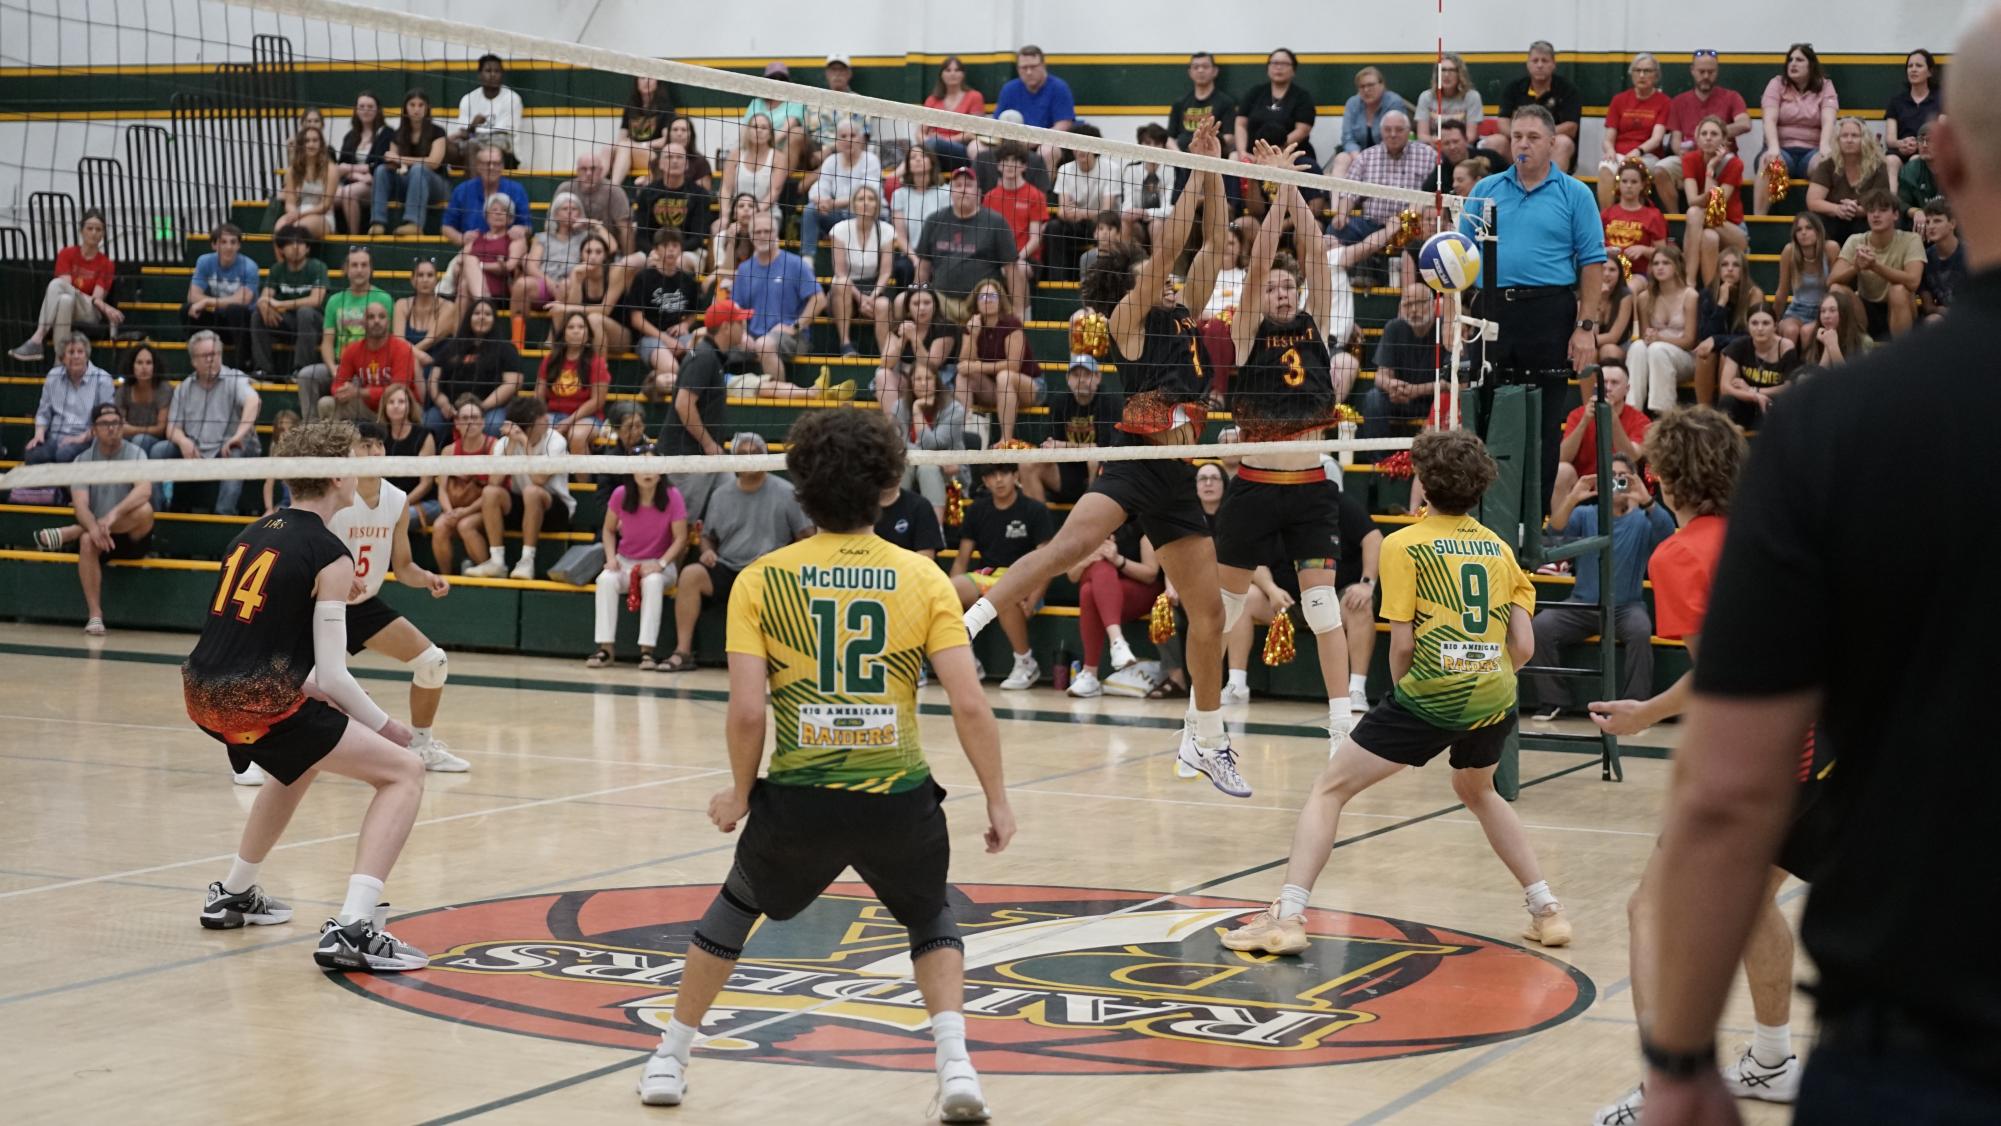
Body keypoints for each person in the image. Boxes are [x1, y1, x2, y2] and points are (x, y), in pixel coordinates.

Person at [1638, 20, 2001, 1106]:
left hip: (1921, 1054)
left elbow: (1728, 791)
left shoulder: (1837, 429)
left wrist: (1680, 1061)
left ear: (1937, 159)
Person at [634, 409, 1011, 1122]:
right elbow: (970, 704)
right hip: (897, 797)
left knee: (735, 908)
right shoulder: (924, 579)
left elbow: (748, 712)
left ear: (799, 488)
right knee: (930, 915)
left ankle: (669, 1060)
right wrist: (997, 798)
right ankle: (956, 1067)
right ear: (888, 482)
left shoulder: (761, 581)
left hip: (799, 800)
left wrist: (740, 793)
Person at [965, 117, 1244, 796]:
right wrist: (1191, 163)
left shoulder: (1184, 308)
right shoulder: (1125, 319)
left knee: (1208, 615)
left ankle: (1204, 740)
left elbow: (1215, 240)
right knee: (1064, 549)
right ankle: (966, 621)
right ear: (1131, 284)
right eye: (1156, 273)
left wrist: (1209, 168)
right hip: (1135, 451)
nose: (1172, 276)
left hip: (1173, 470)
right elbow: (1177, 240)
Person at [1220, 429, 1572, 956]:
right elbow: (1522, 645)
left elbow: (1402, 647)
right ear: (1478, 490)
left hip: (1432, 692)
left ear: (1423, 485)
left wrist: (1413, 696)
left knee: (1329, 789)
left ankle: (1287, 917)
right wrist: (1484, 674)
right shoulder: (1500, 550)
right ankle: (1547, 911)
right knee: (1479, 791)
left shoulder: (1405, 543)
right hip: (1496, 693)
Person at [1583, 406, 1824, 1126]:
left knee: (1650, 910)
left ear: (1660, 476)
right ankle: (1774, 1061)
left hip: (1771, 754)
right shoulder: (1778, 529)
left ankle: (1666, 1089)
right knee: (1751, 901)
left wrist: (1643, 714)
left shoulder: (1679, 555)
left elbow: (1721, 679)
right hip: (1835, 742)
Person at [183, 419, 429, 972]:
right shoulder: (330, 553)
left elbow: (259, 648)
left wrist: (323, 695)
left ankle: (235, 893)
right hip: (253, 700)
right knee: (404, 772)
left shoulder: (249, 534)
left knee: (301, 758)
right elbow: (338, 674)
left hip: (201, 691)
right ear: (339, 474)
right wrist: (389, 727)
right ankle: (354, 928)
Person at [1217, 141, 1357, 741]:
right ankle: (1205, 714)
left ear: (1296, 295)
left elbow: (1319, 263)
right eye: (1271, 286)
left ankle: (1340, 724)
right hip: (1251, 485)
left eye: (1284, 287)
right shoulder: (1246, 330)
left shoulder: (1315, 325)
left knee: (1323, 608)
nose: (1277, 292)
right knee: (1220, 609)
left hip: (1308, 488)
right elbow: (1254, 270)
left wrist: (1291, 188)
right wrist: (1274, 195)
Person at [1460, 105, 1608, 503]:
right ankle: (1483, 509)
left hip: (1549, 312)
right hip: (1490, 310)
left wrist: (1586, 327)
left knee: (1543, 421)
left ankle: (1534, 522)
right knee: (1484, 410)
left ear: (1553, 143)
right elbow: (1460, 255)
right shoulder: (1484, 190)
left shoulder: (1575, 194)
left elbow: (1593, 262)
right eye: (1517, 137)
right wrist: (1455, 313)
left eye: (1532, 137)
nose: (1522, 144)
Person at [325, 421, 466, 771]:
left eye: (378, 446)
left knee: (433, 663)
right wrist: (337, 576)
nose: (373, 453)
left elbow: (402, 567)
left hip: (363, 605)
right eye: (365, 445)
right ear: (349, 452)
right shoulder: (336, 493)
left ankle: (420, 746)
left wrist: (428, 578)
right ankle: (254, 757)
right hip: (321, 604)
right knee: (293, 683)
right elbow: (308, 548)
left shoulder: (397, 499)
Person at [1527, 451, 1674, 715]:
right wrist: (1573, 496)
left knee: (1641, 631)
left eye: (1623, 478)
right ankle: (1555, 700)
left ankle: (1635, 706)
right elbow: (1555, 531)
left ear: (1634, 481)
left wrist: (1648, 501)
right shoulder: (1586, 513)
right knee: (1540, 627)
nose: (1617, 482)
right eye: (1611, 477)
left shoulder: (1643, 519)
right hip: (1582, 605)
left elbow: (1665, 533)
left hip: (1626, 607)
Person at [659, 432, 813, 672]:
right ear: (733, 460)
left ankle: (780, 657)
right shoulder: (721, 495)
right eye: (742, 454)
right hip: (728, 568)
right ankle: (683, 652)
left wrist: (786, 561)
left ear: (765, 457)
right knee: (690, 575)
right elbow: (708, 537)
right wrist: (707, 552)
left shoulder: (786, 493)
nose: (749, 459)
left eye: (754, 453)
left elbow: (807, 537)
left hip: (768, 571)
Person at [30, 402, 153, 635]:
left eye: (116, 423)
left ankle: (72, 532)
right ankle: (95, 615)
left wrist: (110, 517)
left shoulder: (136, 453)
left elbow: (144, 490)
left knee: (145, 510)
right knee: (87, 541)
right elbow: (80, 505)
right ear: (93, 429)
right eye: (105, 424)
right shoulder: (83, 461)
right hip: (98, 537)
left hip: (129, 534)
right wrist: (95, 527)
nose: (112, 428)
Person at [948, 463, 1053, 687]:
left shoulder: (1034, 510)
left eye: (1003, 473)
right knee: (947, 591)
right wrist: (946, 589)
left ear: (1015, 475)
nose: (998, 480)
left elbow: (1047, 562)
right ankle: (966, 660)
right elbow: (961, 559)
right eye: (992, 475)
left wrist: (1033, 599)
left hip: (1024, 580)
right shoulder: (977, 509)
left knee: (1002, 594)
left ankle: (1026, 663)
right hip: (986, 576)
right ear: (984, 481)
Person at [586, 464, 688, 670]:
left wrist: (660, 564)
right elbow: (608, 530)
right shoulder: (620, 494)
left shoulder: (673, 496)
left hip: (660, 563)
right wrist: (611, 558)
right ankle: (606, 649)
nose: (648, 472)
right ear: (632, 471)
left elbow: (681, 537)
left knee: (652, 581)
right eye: (642, 467)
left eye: (653, 467)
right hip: (625, 561)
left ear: (661, 473)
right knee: (605, 579)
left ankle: (647, 652)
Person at [462, 395, 574, 580]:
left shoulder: (556, 441)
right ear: (530, 425)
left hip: (555, 510)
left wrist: (525, 443)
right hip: (524, 506)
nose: (547, 418)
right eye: (541, 416)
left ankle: (526, 561)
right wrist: (513, 443)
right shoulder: (504, 444)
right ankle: (497, 561)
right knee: (490, 493)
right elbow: (494, 482)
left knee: (532, 491)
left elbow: (538, 479)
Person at [153, 330, 262, 515]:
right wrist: (183, 441)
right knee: (159, 450)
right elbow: (172, 427)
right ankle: (158, 510)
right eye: (205, 355)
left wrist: (237, 436)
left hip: (229, 446)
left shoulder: (234, 378)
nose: (211, 359)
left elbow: (254, 401)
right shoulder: (184, 387)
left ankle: (224, 513)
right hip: (196, 448)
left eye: (215, 354)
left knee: (236, 450)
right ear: (193, 360)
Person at [11, 209, 123, 363]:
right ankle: (60, 364)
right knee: (64, 300)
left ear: (103, 234)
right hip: (72, 303)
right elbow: (66, 288)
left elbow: (96, 299)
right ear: (81, 231)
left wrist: (97, 302)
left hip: (89, 311)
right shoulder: (67, 254)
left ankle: (37, 338)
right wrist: (99, 303)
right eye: (90, 228)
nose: (94, 233)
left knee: (57, 285)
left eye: (98, 229)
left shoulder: (106, 264)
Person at [1066, 521, 1162, 698]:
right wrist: (1087, 559)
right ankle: (1116, 644)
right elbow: (1072, 575)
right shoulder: (1092, 529)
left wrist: (1117, 560)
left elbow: (1151, 574)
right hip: (1105, 599)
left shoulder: (1143, 524)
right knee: (1089, 588)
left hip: (1141, 593)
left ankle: (1091, 671)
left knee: (1102, 571)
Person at [734, 209, 826, 383]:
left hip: (792, 337)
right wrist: (743, 334)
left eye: (767, 231)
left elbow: (819, 299)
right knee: (707, 342)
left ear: (776, 234)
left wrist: (796, 326)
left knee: (764, 345)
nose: (762, 236)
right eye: (757, 232)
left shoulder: (794, 264)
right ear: (751, 236)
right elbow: (738, 308)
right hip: (753, 336)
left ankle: (781, 399)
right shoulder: (744, 269)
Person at [916, 167, 1016, 323]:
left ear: (978, 192)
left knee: (989, 292)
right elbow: (923, 267)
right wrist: (918, 296)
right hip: (942, 300)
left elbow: (1012, 270)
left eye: (969, 185)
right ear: (950, 192)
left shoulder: (996, 222)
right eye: (958, 185)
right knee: (903, 299)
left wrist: (1018, 310)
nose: (963, 190)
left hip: (981, 302)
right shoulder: (934, 221)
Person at [1021, 352, 1119, 504]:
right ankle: (1040, 523)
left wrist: (1065, 446)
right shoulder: (1060, 402)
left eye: (1087, 375)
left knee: (1093, 459)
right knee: (1027, 464)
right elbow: (1049, 443)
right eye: (1076, 375)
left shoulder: (1109, 402)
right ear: (1068, 379)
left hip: (1101, 475)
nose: (1081, 380)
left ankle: (1091, 513)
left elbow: (1104, 449)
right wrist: (1062, 447)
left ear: (1098, 377)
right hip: (1067, 473)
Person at [1550, 358, 1650, 507]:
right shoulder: (1578, 414)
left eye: (1614, 383)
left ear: (1627, 389)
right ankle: (1560, 529)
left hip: (1617, 486)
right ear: (1596, 385)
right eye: (1604, 382)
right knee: (1562, 470)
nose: (1608, 388)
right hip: (1582, 486)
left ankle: (1621, 526)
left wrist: (1613, 420)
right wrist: (1584, 421)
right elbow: (1562, 457)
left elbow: (1632, 456)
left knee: (1625, 473)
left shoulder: (1639, 419)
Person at [1828, 189, 1925, 341]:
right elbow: (1831, 281)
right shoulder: (1856, 240)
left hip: (1901, 307)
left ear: (1895, 215)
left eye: (1883, 210)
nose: (1876, 215)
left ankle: (1901, 352)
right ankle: (1858, 346)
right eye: (1871, 210)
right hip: (1866, 309)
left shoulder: (1911, 239)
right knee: (1836, 290)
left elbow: (1913, 281)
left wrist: (1875, 266)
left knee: (1898, 290)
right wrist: (1856, 267)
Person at [1756, 44, 1840, 216]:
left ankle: (1822, 223)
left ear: (1811, 65)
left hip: (1812, 151)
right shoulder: (1777, 84)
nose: (1793, 64)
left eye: (1799, 60)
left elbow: (1828, 120)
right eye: (1790, 60)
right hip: (1782, 149)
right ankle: (1760, 220)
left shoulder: (1825, 86)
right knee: (1772, 164)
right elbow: (1769, 119)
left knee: (1827, 164)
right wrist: (1773, 147)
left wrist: (1825, 146)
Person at [312, 246, 395, 414]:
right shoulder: (335, 301)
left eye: (364, 265)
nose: (359, 270)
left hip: (368, 366)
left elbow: (390, 340)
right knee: (308, 375)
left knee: (349, 388)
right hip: (338, 363)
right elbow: (327, 343)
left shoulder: (384, 299)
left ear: (371, 269)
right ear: (346, 269)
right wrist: (332, 368)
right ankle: (311, 429)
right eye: (354, 265)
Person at [956, 277, 1038, 447]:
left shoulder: (1011, 323)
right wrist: (974, 335)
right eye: (983, 297)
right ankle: (964, 434)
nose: (987, 301)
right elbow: (964, 364)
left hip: (1028, 385)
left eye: (992, 296)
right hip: (996, 389)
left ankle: (1005, 440)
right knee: (963, 376)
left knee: (1005, 376)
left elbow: (1014, 365)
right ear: (976, 301)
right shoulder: (972, 325)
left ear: (1000, 300)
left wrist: (978, 366)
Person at [425, 299, 520, 438]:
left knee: (493, 426)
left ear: (494, 319)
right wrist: (442, 403)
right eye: (476, 313)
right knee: (429, 422)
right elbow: (433, 379)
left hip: (490, 408)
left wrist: (481, 407)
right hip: (450, 408)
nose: (482, 317)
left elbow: (512, 383)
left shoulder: (506, 348)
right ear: (469, 318)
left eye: (487, 314)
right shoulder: (452, 346)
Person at [625, 232, 704, 400]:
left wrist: (684, 325)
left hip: (679, 336)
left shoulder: (688, 280)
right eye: (665, 246)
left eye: (675, 246)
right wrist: (666, 339)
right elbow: (637, 320)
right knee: (671, 368)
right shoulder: (643, 277)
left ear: (681, 249)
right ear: (656, 250)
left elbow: (693, 314)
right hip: (648, 338)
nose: (671, 250)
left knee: (703, 355)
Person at [250, 226, 327, 391]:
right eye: (290, 243)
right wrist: (264, 306)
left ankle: (300, 369)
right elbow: (264, 297)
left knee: (305, 312)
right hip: (289, 323)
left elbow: (316, 300)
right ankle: (263, 370)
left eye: (300, 243)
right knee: (258, 315)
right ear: (282, 249)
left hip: (315, 324)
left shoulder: (317, 267)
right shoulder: (277, 269)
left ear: (307, 247)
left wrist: (280, 305)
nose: (296, 247)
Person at [428, 395, 498, 576]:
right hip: (455, 507)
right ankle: (446, 577)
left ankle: (489, 577)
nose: (470, 423)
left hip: (485, 508)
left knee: (465, 525)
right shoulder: (449, 451)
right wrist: (449, 511)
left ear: (483, 422)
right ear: (457, 423)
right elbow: (441, 489)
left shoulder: (493, 447)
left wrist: (464, 512)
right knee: (439, 526)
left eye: (475, 418)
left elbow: (493, 491)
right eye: (465, 418)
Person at [892, 354, 968, 519]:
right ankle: (897, 523)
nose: (923, 383)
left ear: (937, 381)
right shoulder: (899, 407)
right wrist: (926, 456)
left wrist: (917, 411)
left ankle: (935, 529)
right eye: (918, 379)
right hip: (912, 464)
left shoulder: (954, 409)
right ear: (911, 382)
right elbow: (897, 444)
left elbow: (932, 444)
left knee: (928, 468)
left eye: (928, 378)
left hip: (949, 472)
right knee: (904, 466)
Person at [1487, 41, 1582, 171]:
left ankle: (1552, 188)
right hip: (1518, 149)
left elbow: (1571, 127)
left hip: (1549, 146)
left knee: (1563, 142)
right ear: (1528, 64)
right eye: (1535, 60)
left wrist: (1537, 136)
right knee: (1494, 142)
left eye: (1545, 61)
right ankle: (1498, 188)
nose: (1539, 65)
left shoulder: (1568, 90)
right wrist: (1520, 136)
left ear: (1553, 64)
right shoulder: (1514, 88)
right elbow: (1503, 121)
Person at [1629, 243, 1701, 415]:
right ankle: (1632, 410)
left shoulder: (1690, 296)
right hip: (1655, 355)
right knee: (1637, 347)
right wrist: (1651, 338)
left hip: (1684, 357)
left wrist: (1660, 339)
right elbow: (1646, 337)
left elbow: (1690, 341)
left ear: (1677, 266)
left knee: (1657, 349)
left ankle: (1663, 414)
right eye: (1656, 263)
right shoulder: (1644, 298)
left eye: (1666, 263)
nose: (1660, 267)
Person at [1595, 53, 1675, 209]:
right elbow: (1608, 138)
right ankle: (1606, 220)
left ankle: (1637, 218)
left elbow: (1656, 139)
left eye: (1647, 71)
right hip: (1618, 153)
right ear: (1632, 75)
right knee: (1605, 168)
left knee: (1634, 169)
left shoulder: (1664, 101)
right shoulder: (1619, 100)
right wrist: (1610, 150)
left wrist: (1637, 152)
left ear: (1656, 75)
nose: (1642, 75)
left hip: (1647, 155)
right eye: (1637, 70)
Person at [25, 331, 116, 466]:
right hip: (54, 437)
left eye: (80, 352)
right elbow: (44, 411)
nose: (76, 356)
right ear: (62, 357)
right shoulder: (53, 376)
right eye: (71, 352)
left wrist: (82, 438)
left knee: (64, 455)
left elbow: (106, 419)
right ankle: (47, 488)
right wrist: (39, 434)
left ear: (87, 355)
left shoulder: (102, 379)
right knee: (34, 454)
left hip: (86, 438)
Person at [1678, 116, 1749, 287]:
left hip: (1731, 228)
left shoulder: (1734, 163)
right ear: (1697, 138)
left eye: (1714, 134)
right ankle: (1710, 292)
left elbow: (1714, 206)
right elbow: (1691, 200)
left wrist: (1710, 170)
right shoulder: (1689, 159)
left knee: (1695, 213)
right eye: (1704, 133)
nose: (1708, 138)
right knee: (1708, 235)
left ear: (1724, 140)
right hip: (1705, 225)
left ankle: (1689, 280)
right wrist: (1703, 196)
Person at [828, 185, 896, 359]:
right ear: (853, 204)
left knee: (883, 305)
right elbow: (840, 271)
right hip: (847, 288)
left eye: (871, 199)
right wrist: (860, 298)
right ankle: (845, 344)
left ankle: (885, 357)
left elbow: (886, 272)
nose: (866, 203)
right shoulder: (840, 229)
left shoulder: (886, 230)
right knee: (840, 282)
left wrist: (872, 296)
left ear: (877, 206)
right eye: (861, 199)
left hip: (874, 286)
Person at [800, 118, 882, 264]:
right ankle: (807, 262)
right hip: (839, 215)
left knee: (864, 206)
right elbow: (819, 187)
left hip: (865, 216)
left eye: (852, 135)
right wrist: (821, 200)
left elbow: (866, 196)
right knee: (811, 209)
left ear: (861, 140)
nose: (848, 140)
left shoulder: (871, 160)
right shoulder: (831, 161)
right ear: (837, 141)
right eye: (843, 136)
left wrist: (833, 204)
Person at [370, 88, 449, 235]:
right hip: (409, 183)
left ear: (427, 108)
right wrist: (390, 160)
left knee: (419, 169)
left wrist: (400, 159)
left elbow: (434, 163)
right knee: (381, 170)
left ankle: (414, 223)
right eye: (412, 105)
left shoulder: (438, 132)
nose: (416, 109)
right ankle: (377, 222)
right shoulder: (397, 134)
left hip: (436, 186)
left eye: (421, 105)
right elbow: (393, 163)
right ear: (405, 108)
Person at [182, 222, 259, 370]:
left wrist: (206, 302)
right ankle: (196, 360)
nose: (229, 247)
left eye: (233, 242)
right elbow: (192, 295)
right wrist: (205, 303)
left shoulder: (249, 266)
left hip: (243, 324)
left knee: (235, 309)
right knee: (187, 309)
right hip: (219, 321)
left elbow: (244, 299)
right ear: (214, 245)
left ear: (239, 246)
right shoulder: (204, 261)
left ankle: (243, 365)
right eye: (223, 242)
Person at [536, 311, 611, 457]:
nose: (576, 331)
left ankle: (584, 480)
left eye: (581, 327)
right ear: (563, 333)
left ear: (588, 334)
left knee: (576, 436)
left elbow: (597, 401)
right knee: (538, 432)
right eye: (570, 327)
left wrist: (568, 422)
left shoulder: (597, 362)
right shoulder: (550, 360)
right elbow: (538, 395)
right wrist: (542, 418)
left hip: (588, 418)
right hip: (552, 414)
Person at [1806, 118, 1889, 249]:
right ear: (1838, 140)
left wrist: (1858, 211)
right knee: (1814, 219)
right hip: (1833, 219)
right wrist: (1837, 209)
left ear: (1865, 139)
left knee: (1880, 219)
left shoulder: (1878, 166)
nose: (1849, 140)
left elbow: (1882, 201)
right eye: (1844, 136)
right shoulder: (1827, 164)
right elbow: (1813, 201)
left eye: (1855, 135)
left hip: (1865, 219)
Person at [329, 302, 417, 422]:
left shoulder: (402, 349)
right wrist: (341, 392)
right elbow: (337, 384)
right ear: (363, 323)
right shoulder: (352, 350)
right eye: (371, 317)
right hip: (368, 408)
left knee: (397, 405)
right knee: (326, 404)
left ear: (389, 322)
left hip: (398, 410)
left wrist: (358, 392)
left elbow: (399, 390)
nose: (376, 321)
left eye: (381, 316)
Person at [1236, 49, 1318, 177]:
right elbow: (1240, 123)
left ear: (1294, 70)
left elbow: (1303, 130)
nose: (1278, 67)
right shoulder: (1255, 92)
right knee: (1233, 159)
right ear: (1268, 68)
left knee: (1309, 166)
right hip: (1252, 153)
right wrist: (1242, 152)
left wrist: (1272, 152)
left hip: (1288, 154)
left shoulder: (1302, 97)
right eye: (1274, 63)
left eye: (1284, 64)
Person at [1717, 305, 1802, 427]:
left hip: (1773, 402)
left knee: (1785, 403)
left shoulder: (1785, 347)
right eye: (1754, 323)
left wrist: (1756, 390)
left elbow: (1789, 386)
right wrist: (1754, 396)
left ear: (1775, 326)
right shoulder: (1739, 345)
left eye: (1766, 323)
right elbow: (1725, 387)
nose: (1760, 328)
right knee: (1727, 400)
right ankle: (1729, 438)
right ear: (1748, 326)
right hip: (1747, 401)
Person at [994, 44, 1074, 172]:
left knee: (1047, 151)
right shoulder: (1009, 89)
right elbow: (997, 122)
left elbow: (1064, 124)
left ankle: (1045, 191)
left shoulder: (1059, 88)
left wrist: (1033, 141)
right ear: (1018, 69)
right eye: (1024, 68)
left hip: (1047, 143)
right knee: (975, 148)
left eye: (1033, 67)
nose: (1029, 72)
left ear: (1043, 65)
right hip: (1013, 144)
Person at [634, 143, 713, 270]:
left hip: (689, 252)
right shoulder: (647, 193)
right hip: (654, 251)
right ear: (660, 163)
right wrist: (655, 252)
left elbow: (698, 238)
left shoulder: (699, 195)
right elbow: (641, 236)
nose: (675, 161)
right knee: (626, 264)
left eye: (679, 157)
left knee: (678, 263)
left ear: (686, 164)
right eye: (669, 157)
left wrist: (671, 253)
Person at [440, 144, 531, 250]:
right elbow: (446, 227)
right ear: (478, 166)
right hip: (471, 250)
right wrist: (462, 238)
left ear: (502, 166)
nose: (491, 167)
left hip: (506, 251)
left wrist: (521, 230)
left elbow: (527, 226)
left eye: (496, 163)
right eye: (487, 163)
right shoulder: (462, 190)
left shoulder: (516, 190)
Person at [552, 151, 638, 263]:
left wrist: (628, 260)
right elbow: (551, 223)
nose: (588, 173)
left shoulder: (614, 191)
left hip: (607, 250)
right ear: (577, 171)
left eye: (593, 169)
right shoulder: (565, 188)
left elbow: (625, 228)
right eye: (583, 169)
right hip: (571, 250)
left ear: (601, 171)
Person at [1666, 50, 1751, 162]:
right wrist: (1680, 151)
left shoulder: (1732, 97)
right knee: (1662, 168)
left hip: (1722, 156)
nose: (1706, 76)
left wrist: (1715, 133)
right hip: (1690, 158)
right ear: (1692, 70)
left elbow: (1745, 124)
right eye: (1701, 71)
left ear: (1717, 71)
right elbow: (1676, 139)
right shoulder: (1678, 101)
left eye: (1711, 72)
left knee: (1730, 162)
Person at [1330, 66, 1411, 181]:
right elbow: (1347, 138)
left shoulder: (1394, 102)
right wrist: (1359, 158)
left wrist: (1371, 159)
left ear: (1382, 85)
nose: (1366, 90)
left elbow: (1396, 136)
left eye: (1370, 85)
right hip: (1357, 155)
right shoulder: (1352, 103)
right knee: (1341, 159)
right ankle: (1338, 199)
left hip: (1387, 154)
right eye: (1362, 86)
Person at [447, 54, 523, 171]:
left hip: (502, 146)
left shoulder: (512, 98)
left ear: (502, 74)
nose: (492, 74)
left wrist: (474, 136)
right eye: (488, 71)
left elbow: (506, 136)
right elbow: (464, 134)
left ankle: (473, 189)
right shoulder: (468, 99)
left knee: (471, 147)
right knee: (448, 147)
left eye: (497, 71)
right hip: (473, 141)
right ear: (480, 75)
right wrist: (473, 125)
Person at [332, 92, 389, 236]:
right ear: (356, 110)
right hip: (355, 181)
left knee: (348, 193)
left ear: (378, 110)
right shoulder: (351, 136)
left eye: (370, 106)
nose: (366, 110)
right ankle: (333, 232)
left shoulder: (386, 133)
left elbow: (381, 164)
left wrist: (351, 169)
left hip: (377, 184)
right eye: (362, 106)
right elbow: (341, 166)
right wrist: (358, 175)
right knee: (325, 197)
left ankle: (354, 237)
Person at [1776, 212, 1836, 346]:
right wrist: (1773, 319)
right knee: (1790, 330)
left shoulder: (1831, 248)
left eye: (1809, 228)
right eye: (1799, 229)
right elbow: (1782, 291)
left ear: (1818, 231)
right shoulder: (1789, 251)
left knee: (1807, 332)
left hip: (1823, 309)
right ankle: (1788, 366)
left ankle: (1808, 366)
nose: (1803, 233)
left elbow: (1836, 287)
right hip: (1797, 309)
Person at [1600, 163, 1668, 280]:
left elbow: (1663, 253)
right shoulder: (1606, 214)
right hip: (1607, 271)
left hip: (1638, 274)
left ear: (1642, 185)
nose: (1629, 186)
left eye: (1634, 182)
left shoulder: (1654, 215)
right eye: (1624, 181)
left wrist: (1643, 250)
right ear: (1618, 184)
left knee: (1630, 289)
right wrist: (1606, 251)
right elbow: (1593, 246)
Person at [1884, 48, 1943, 180]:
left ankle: (1916, 200)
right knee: (1890, 161)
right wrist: (1901, 144)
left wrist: (1920, 144)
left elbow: (1944, 133)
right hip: (1901, 150)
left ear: (1930, 72)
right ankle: (1893, 200)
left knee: (1916, 161)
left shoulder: (1941, 100)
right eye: (1910, 66)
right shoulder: (1896, 101)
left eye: (1919, 66)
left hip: (1928, 151)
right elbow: (1890, 139)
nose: (1913, 69)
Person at [606, 75, 675, 186]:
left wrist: (641, 144)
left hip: (653, 156)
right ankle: (593, 183)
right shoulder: (631, 106)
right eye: (642, 78)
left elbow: (665, 140)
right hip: (629, 152)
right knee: (607, 149)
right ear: (636, 82)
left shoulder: (665, 107)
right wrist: (628, 145)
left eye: (650, 78)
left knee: (626, 146)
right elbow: (621, 138)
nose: (646, 81)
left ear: (658, 82)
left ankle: (613, 188)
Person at [921, 54, 985, 168]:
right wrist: (926, 141)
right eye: (948, 70)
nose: (952, 73)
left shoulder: (974, 96)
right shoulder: (932, 100)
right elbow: (920, 132)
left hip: (962, 151)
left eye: (957, 70)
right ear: (941, 74)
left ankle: (896, 176)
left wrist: (943, 139)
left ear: (963, 74)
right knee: (918, 151)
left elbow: (973, 133)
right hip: (933, 152)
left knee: (933, 144)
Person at [275, 125, 336, 239]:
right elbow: (290, 202)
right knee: (279, 230)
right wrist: (293, 213)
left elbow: (326, 205)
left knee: (297, 230)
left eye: (315, 140)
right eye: (307, 141)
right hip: (298, 213)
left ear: (321, 144)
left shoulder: (331, 169)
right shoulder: (292, 170)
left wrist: (300, 215)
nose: (311, 144)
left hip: (322, 216)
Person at [1414, 53, 1482, 145]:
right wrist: (1441, 144)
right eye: (1442, 70)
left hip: (1462, 148)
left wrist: (1451, 145)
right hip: (1434, 147)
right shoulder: (1426, 97)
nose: (1446, 74)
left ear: (1460, 74)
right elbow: (1422, 135)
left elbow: (1471, 136)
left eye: (1452, 70)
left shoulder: (1472, 97)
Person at [1920, 195, 1966, 322]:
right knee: (1932, 321)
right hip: (1944, 317)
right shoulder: (1925, 258)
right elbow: (1928, 306)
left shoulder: (1969, 255)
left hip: (1973, 316)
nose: (1931, 226)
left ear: (1952, 224)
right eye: (1928, 222)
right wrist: (1943, 311)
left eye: (1937, 221)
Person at [1799, 289, 1867, 368]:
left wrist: (1832, 345)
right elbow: (1817, 377)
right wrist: (1827, 345)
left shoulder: (1863, 341)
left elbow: (1848, 378)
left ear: (1844, 313)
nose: (1826, 316)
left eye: (1832, 310)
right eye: (1823, 311)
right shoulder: (1815, 337)